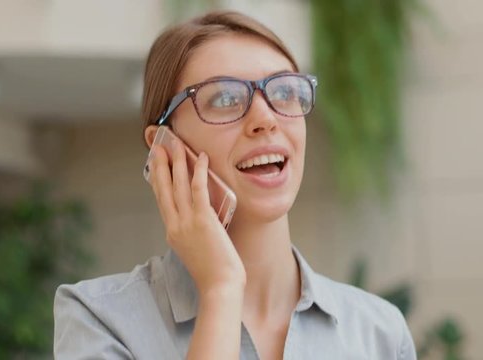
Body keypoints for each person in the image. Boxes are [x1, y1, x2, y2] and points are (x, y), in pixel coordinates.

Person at [53, 10, 416, 360]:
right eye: (225, 98)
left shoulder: (379, 333)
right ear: (164, 145)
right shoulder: (100, 319)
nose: (266, 119)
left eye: (285, 91)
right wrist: (221, 290)